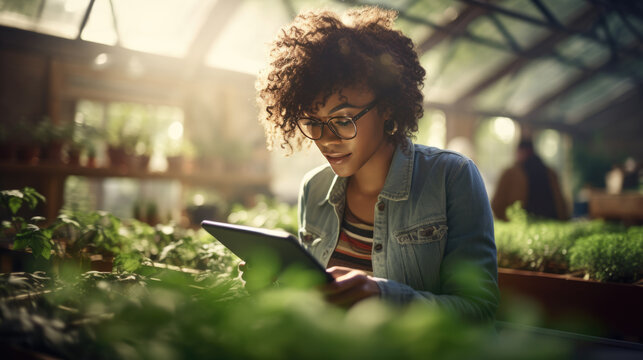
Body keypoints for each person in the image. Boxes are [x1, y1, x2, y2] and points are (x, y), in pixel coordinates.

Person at [255, 6, 498, 322]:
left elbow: (479, 310)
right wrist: (276, 286)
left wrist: (384, 296)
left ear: (387, 107)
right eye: (312, 122)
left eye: (342, 120)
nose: (326, 139)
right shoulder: (313, 189)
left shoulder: (452, 177)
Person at [492, 139, 568, 221]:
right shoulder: (550, 173)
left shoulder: (511, 174)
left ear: (520, 152)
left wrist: (507, 220)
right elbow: (562, 207)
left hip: (520, 224)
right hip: (552, 223)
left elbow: (496, 205)